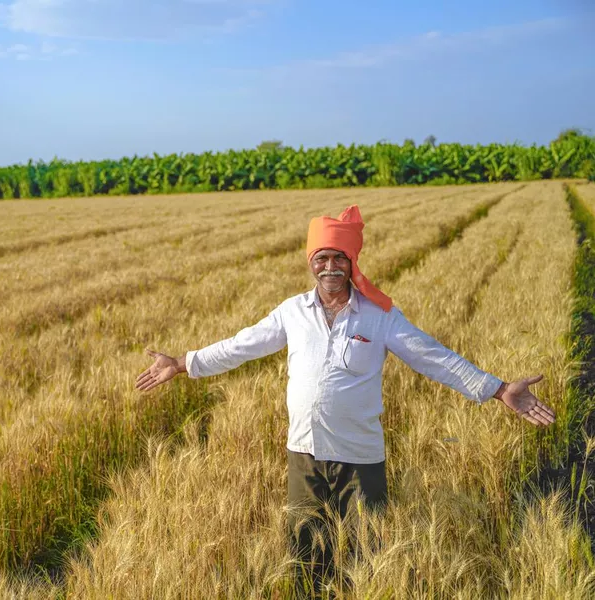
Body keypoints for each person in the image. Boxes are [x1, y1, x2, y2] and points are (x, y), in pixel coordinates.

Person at [134, 205, 556, 597]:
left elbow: (434, 358)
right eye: (322, 258)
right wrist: (184, 363)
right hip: (304, 455)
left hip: (360, 460)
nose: (330, 267)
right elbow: (240, 346)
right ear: (310, 262)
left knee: (365, 561)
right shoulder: (292, 312)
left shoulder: (379, 316)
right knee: (306, 559)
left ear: (352, 263)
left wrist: (498, 389)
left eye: (339, 258)